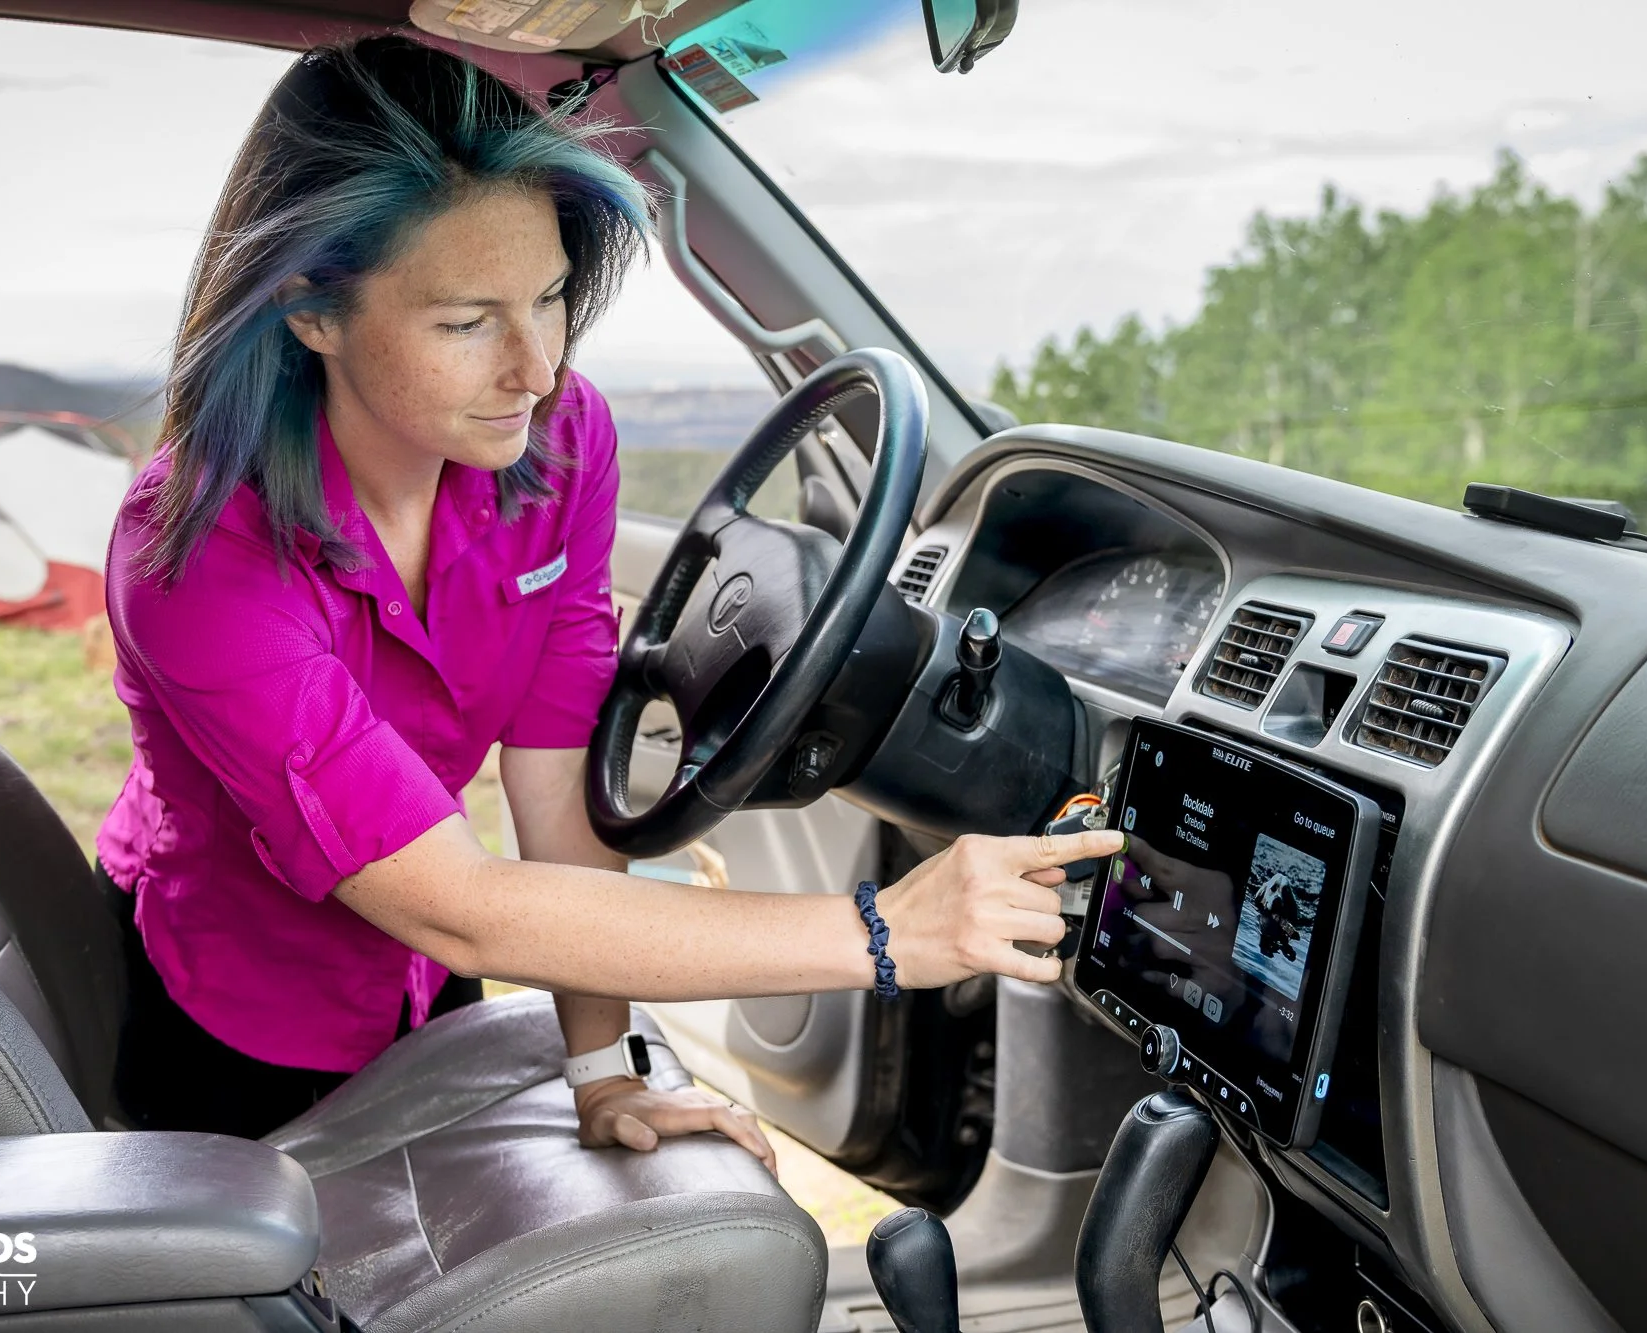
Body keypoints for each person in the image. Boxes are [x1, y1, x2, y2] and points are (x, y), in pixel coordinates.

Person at [95, 33, 1120, 1163]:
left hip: (427, 975)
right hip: (234, 1009)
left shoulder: (560, 441)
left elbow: (556, 791)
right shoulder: (193, 552)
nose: (536, 369)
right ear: (311, 311)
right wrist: (886, 933)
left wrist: (603, 1069)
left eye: (548, 298)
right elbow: (454, 900)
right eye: (464, 322)